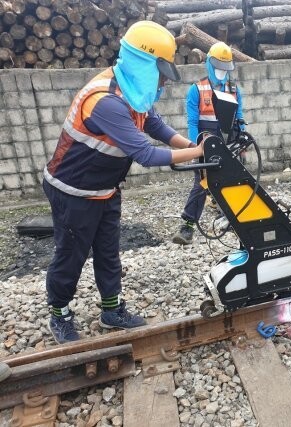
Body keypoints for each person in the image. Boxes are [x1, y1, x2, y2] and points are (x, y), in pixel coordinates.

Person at [42, 21, 203, 344]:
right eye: (159, 73)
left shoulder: (131, 92)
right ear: (142, 64)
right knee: (71, 254)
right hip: (73, 192)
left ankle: (111, 310)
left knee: (107, 251)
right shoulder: (105, 100)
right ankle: (59, 313)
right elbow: (145, 153)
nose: (161, 82)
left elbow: (154, 125)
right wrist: (199, 152)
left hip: (105, 188)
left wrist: (189, 146)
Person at [172, 42, 245, 245]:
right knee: (202, 183)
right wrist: (197, 149)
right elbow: (193, 122)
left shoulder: (234, 89)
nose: (222, 72)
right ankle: (187, 225)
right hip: (206, 143)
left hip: (228, 143)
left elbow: (239, 118)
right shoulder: (196, 90)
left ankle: (232, 218)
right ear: (209, 65)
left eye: (225, 68)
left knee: (233, 180)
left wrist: (242, 138)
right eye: (218, 67)